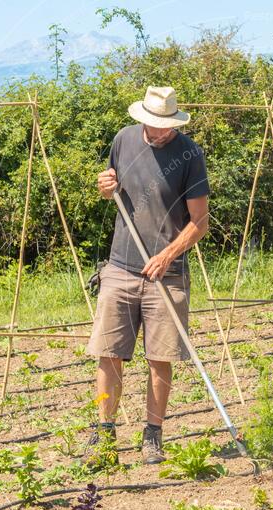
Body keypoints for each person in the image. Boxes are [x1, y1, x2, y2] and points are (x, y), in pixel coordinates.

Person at [82, 86, 210, 467]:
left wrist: (167, 254)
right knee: (109, 353)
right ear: (142, 119)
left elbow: (200, 223)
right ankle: (104, 435)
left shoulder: (189, 154)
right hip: (120, 266)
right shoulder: (123, 139)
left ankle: (152, 436)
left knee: (160, 357)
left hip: (167, 274)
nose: (157, 133)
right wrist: (105, 188)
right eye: (152, 126)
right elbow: (113, 188)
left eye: (165, 128)